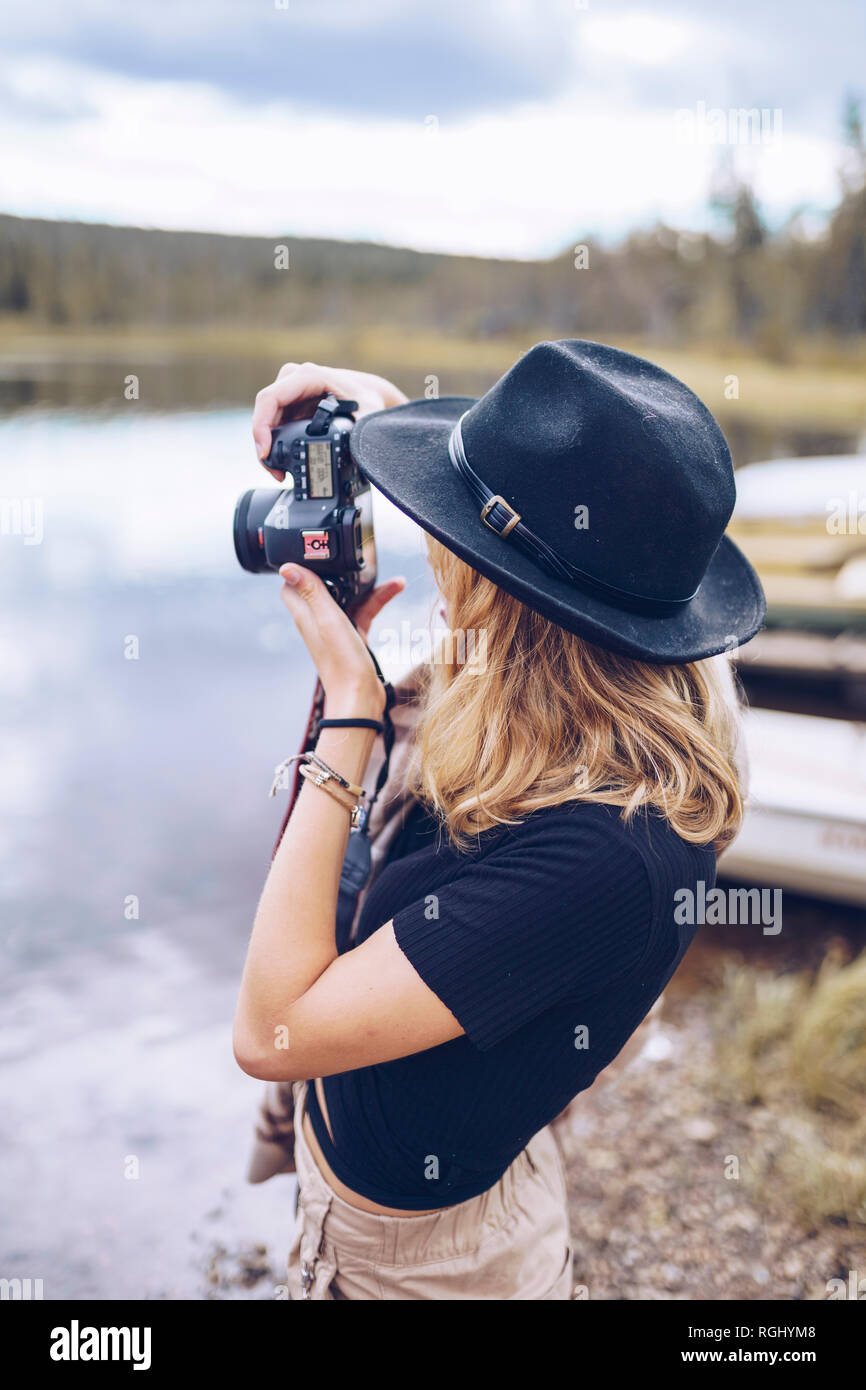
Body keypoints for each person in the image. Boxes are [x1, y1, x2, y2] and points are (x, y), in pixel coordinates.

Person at [232, 340, 766, 1300]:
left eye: (460, 552)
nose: (447, 577)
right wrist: (376, 426)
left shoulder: (604, 860)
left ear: (519, 607)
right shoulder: (598, 713)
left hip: (418, 1260)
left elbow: (272, 1031)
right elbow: (547, 556)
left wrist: (350, 706)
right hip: (470, 1165)